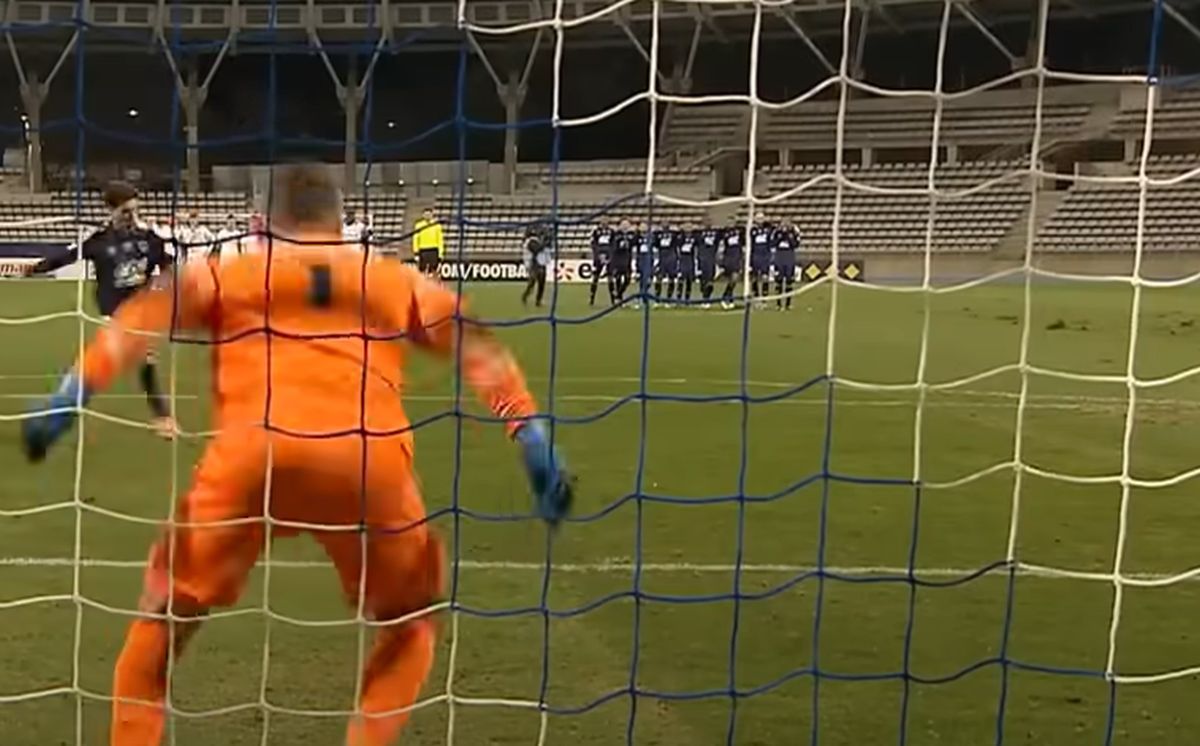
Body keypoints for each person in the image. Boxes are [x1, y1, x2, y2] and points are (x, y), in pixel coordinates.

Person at [20, 164, 573, 746]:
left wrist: (68, 397)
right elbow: (477, 346)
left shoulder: (234, 272)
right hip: (368, 461)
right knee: (412, 625)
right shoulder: (386, 277)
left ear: (268, 223)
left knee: (164, 618)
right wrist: (529, 433)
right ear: (340, 219)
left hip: (251, 458)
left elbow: (136, 323)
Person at [25, 180, 176, 438]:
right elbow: (65, 257)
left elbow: (167, 266)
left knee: (141, 360)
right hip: (112, 315)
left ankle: (162, 418)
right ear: (111, 210)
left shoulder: (149, 240)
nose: (132, 217)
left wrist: (164, 283)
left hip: (139, 313)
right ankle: (59, 409)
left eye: (135, 210)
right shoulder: (99, 242)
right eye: (126, 211)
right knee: (113, 364)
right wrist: (34, 268)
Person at [772, 218, 800, 310]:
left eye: (787, 223)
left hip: (789, 256)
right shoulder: (776, 232)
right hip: (779, 256)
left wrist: (788, 236)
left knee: (789, 280)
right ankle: (778, 304)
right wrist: (780, 237)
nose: (785, 225)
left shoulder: (794, 232)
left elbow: (796, 244)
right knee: (778, 280)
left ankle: (788, 303)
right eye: (783, 223)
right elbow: (772, 243)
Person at [521, 223, 551, 308]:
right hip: (533, 264)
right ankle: (525, 296)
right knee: (533, 282)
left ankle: (538, 300)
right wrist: (545, 243)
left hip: (539, 263)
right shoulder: (530, 242)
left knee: (541, 283)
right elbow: (537, 249)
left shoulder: (534, 241)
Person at [719, 218, 746, 308]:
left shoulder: (740, 231)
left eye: (732, 222)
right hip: (728, 257)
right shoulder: (724, 233)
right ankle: (727, 297)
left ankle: (726, 296)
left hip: (737, 257)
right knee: (732, 278)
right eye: (729, 222)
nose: (730, 224)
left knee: (735, 278)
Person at [588, 217, 614, 307]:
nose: (604, 223)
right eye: (603, 221)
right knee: (595, 277)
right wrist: (598, 255)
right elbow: (593, 244)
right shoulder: (595, 231)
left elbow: (613, 244)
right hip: (598, 257)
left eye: (606, 221)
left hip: (608, 256)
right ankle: (592, 298)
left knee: (610, 277)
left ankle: (613, 299)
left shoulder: (611, 231)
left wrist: (609, 256)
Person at [749, 212, 773, 303]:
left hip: (765, 255)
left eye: (761, 218)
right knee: (754, 277)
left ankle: (764, 297)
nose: (760, 220)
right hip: (755, 254)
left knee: (765, 276)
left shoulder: (768, 228)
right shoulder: (752, 229)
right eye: (758, 218)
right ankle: (755, 295)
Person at [412, 207, 444, 277]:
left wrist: (440, 254)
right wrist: (416, 252)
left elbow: (440, 240)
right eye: (426, 214)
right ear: (423, 215)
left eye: (429, 214)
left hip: (434, 250)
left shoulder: (437, 225)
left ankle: (432, 282)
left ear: (432, 215)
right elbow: (415, 239)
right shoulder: (418, 225)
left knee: (433, 270)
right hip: (423, 250)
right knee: (422, 270)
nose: (427, 216)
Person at [652, 222, 678, 303]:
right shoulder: (658, 235)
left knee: (671, 278)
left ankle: (669, 298)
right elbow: (654, 244)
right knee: (659, 277)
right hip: (662, 258)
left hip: (671, 257)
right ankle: (657, 297)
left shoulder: (673, 234)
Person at [696, 221, 721, 306]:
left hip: (711, 260)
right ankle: (704, 297)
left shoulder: (715, 234)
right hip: (702, 259)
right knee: (703, 280)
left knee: (710, 280)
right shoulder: (699, 234)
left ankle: (707, 298)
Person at [610, 218, 634, 305]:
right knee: (618, 278)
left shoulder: (631, 234)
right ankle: (619, 298)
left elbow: (634, 243)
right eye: (623, 224)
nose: (625, 226)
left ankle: (618, 294)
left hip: (627, 258)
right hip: (618, 258)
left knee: (628, 279)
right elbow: (612, 244)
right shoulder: (616, 234)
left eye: (627, 224)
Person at [676, 221, 697, 303]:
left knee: (689, 280)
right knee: (681, 279)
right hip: (683, 259)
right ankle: (678, 297)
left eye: (690, 227)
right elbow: (677, 247)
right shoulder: (680, 237)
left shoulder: (694, 237)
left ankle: (687, 298)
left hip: (690, 259)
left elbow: (696, 248)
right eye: (687, 227)